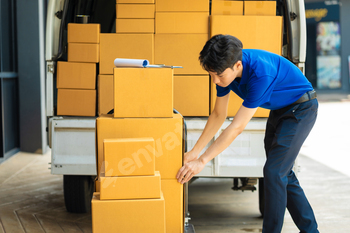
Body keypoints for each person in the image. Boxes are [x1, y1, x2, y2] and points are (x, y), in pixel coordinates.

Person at [176, 34, 319, 233]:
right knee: (283, 174)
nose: (215, 80)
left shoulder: (261, 74)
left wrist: (202, 161)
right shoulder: (225, 74)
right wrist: (194, 152)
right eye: (211, 75)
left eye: (219, 75)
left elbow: (236, 127)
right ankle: (311, 231)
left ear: (237, 65)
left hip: (301, 109)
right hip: (280, 111)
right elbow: (219, 114)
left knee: (274, 172)